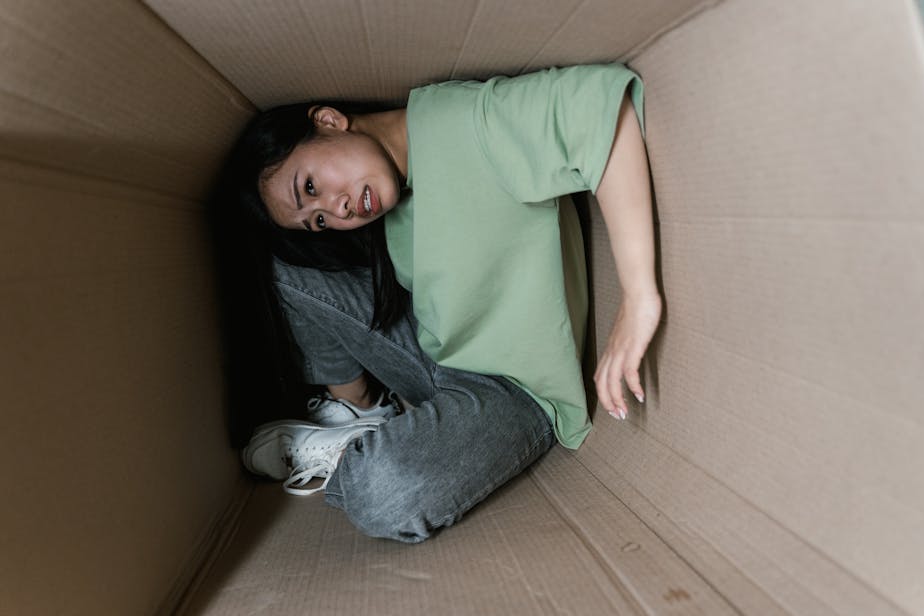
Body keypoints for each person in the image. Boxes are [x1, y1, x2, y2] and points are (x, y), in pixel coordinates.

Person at [219, 64, 662, 543]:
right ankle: (361, 415)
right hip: (437, 353)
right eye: (319, 219)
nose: (336, 210)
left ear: (327, 120)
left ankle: (360, 453)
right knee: (283, 265)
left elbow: (599, 108)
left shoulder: (471, 122)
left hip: (514, 390)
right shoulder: (398, 185)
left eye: (309, 187)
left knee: (380, 492)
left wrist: (638, 297)